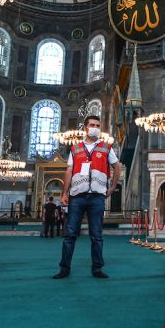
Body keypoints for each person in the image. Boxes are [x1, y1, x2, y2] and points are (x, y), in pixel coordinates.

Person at [54, 115, 121, 279]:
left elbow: (117, 166)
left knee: (97, 235)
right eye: (92, 125)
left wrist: (112, 187)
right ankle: (64, 268)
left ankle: (97, 268)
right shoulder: (75, 148)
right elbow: (69, 171)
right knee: (70, 234)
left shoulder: (106, 147)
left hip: (97, 196)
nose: (95, 128)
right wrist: (65, 193)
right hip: (77, 195)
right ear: (85, 127)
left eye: (98, 125)